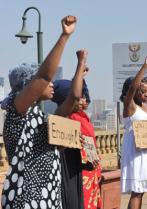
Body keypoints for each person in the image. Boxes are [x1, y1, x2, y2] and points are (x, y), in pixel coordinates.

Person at [0, 15, 77, 209]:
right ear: (29, 85)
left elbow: (72, 99)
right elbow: (44, 76)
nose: (51, 85)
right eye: (44, 84)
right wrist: (64, 37)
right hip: (27, 197)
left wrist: (81, 66)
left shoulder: (39, 117)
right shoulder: (18, 111)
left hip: (48, 196)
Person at [120, 56, 147, 209]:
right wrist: (145, 66)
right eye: (142, 91)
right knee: (137, 191)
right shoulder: (129, 106)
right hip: (135, 151)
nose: (146, 94)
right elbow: (132, 88)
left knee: (142, 190)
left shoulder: (146, 108)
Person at [51, 49, 90, 209]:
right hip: (64, 174)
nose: (81, 100)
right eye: (77, 98)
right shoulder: (60, 118)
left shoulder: (74, 118)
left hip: (75, 171)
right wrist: (80, 63)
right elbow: (73, 95)